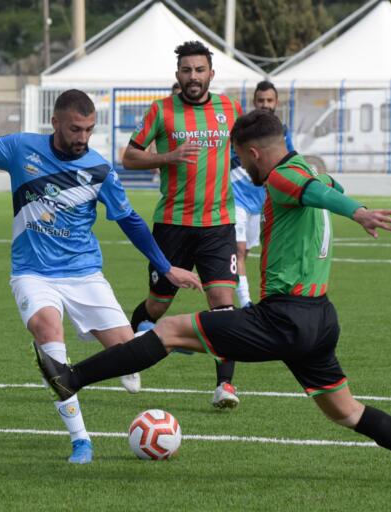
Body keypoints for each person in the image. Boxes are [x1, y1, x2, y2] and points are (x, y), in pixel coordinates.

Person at [33, 109, 391, 483]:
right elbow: (325, 189)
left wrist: (359, 213)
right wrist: (353, 204)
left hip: (283, 318)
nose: (244, 167)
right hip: (321, 319)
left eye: (243, 158)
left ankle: (70, 378)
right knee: (346, 412)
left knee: (168, 329)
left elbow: (314, 193)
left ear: (255, 151)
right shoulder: (313, 170)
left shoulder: (285, 178)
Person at [0, 74, 201, 464]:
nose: (83, 137)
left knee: (131, 354)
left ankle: (142, 334)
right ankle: (81, 440)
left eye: (89, 130)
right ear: (56, 123)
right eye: (76, 129)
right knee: (50, 334)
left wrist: (166, 268)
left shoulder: (99, 169)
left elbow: (129, 220)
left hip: (84, 274)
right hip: (32, 272)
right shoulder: (19, 148)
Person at [122, 41, 244, 409]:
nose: (193, 76)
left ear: (211, 73)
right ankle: (128, 350)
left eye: (200, 70)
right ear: (178, 75)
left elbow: (249, 147)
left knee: (223, 305)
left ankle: (225, 386)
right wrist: (166, 156)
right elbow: (128, 156)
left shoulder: (230, 109)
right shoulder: (161, 111)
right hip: (173, 225)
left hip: (219, 226)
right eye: (187, 70)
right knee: (157, 307)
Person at [231, 80, 294, 307]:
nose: (265, 104)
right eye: (260, 100)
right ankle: (246, 302)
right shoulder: (242, 129)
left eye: (269, 100)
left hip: (261, 201)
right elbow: (228, 155)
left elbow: (290, 159)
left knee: (245, 252)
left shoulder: (282, 133)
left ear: (276, 102)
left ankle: (238, 293)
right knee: (237, 250)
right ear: (254, 102)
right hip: (235, 197)